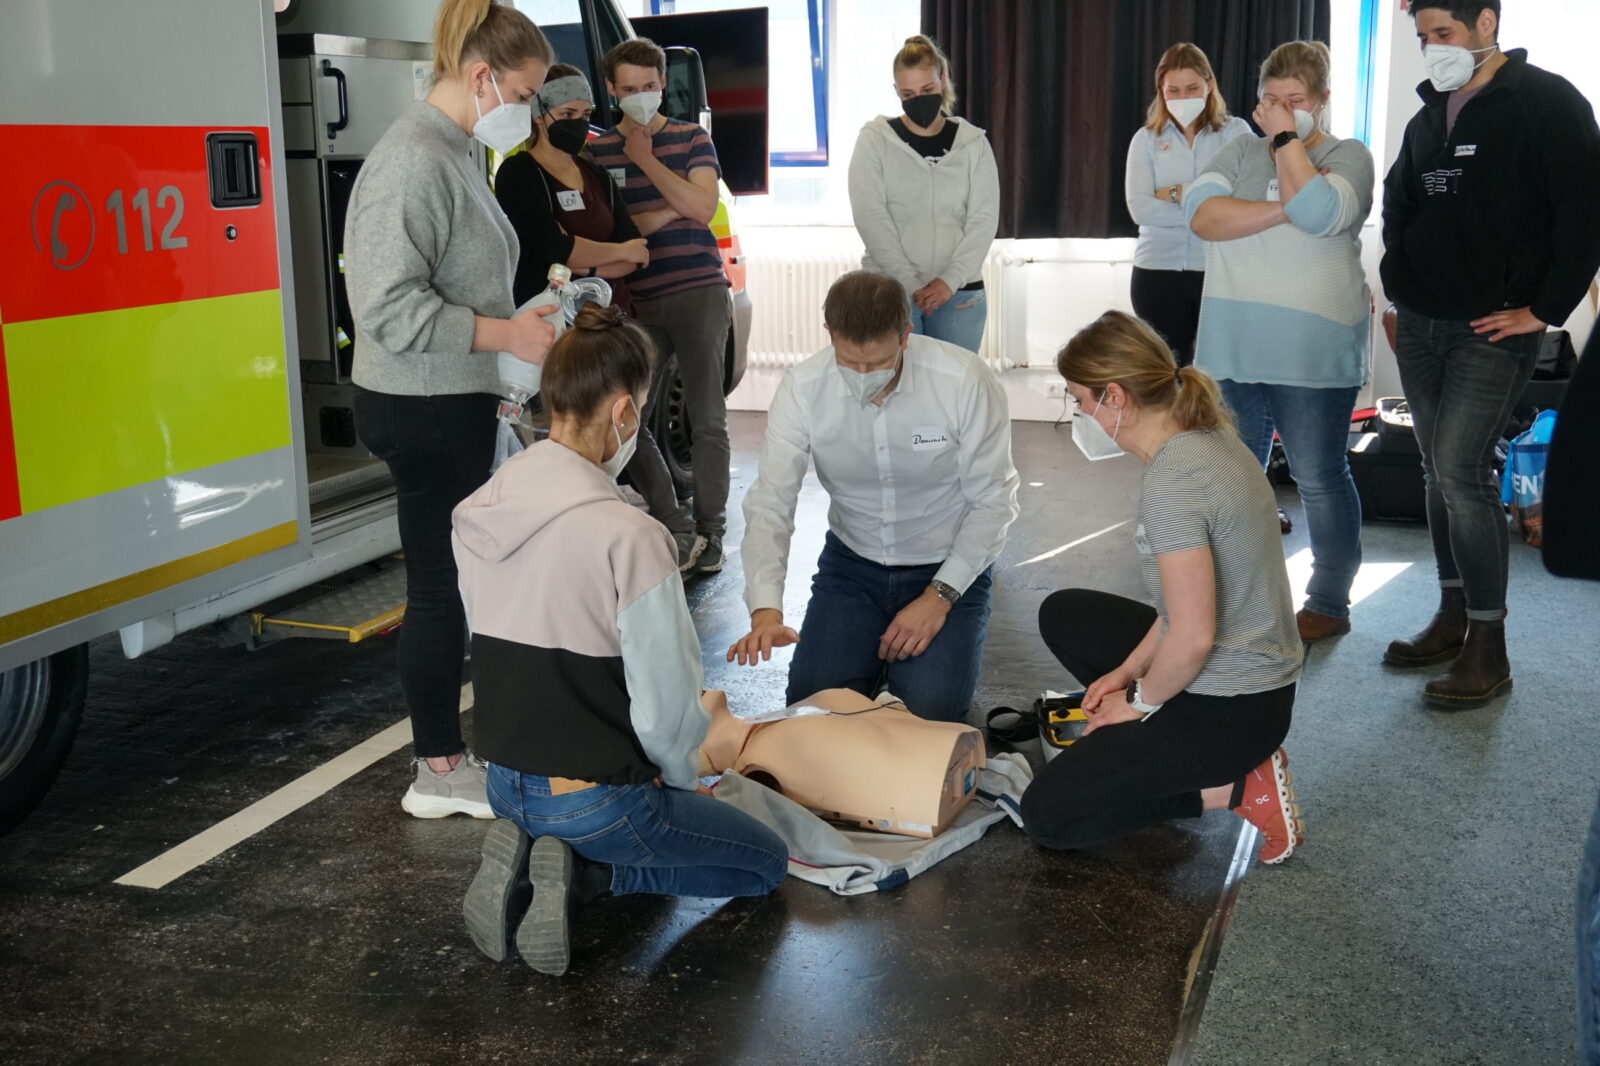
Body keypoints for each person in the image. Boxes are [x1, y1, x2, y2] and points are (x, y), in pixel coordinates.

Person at [454, 305, 787, 977]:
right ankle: (585, 881)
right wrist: (682, 778)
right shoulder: (629, 536)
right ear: (625, 413)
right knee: (761, 864)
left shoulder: (479, 508)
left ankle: (529, 850)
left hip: (503, 782)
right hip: (593, 800)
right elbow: (665, 709)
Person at [345, 0, 559, 819]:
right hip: (420, 403)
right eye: (527, 93)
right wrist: (503, 330)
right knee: (440, 587)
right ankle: (437, 771)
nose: (530, 112)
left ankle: (451, 754)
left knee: (459, 580)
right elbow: (386, 309)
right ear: (481, 77)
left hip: (452, 393)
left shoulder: (458, 149)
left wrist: (522, 320)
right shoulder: (412, 161)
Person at [1019, 311, 1305, 864]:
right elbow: (1183, 609)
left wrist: (1139, 703)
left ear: (1115, 397)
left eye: (1080, 401)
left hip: (1233, 712)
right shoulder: (1208, 434)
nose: (1080, 415)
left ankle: (1240, 788)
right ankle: (1170, 738)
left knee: (1050, 817)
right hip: (1255, 682)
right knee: (1066, 613)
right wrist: (1126, 672)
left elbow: (1194, 635)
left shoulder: (1174, 481)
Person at [1380, 0, 1600, 707]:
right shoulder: (1429, 115)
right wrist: (1401, 283)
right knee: (1434, 468)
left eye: (1442, 33)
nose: (1431, 48)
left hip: (1494, 328)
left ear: (1487, 23)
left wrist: (1543, 309)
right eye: (1422, 37)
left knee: (1461, 470)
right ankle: (1450, 615)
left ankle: (1488, 646)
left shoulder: (1546, 103)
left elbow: (1584, 212)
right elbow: (1400, 205)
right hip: (1421, 323)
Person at [728, 271, 1020, 724]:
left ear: (906, 335)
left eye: (878, 363)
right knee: (812, 711)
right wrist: (765, 611)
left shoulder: (963, 381)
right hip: (853, 565)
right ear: (830, 335)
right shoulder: (804, 387)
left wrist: (938, 598)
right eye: (850, 362)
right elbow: (771, 502)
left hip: (946, 564)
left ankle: (901, 668)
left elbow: (994, 501)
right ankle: (875, 661)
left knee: (929, 717)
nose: (863, 376)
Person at [1186, 40, 1375, 643]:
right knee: (1238, 479)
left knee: (1319, 476)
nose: (1281, 111)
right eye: (1272, 100)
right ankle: (1243, 599)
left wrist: (1290, 149)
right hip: (1233, 343)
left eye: (1296, 102)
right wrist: (1283, 209)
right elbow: (1203, 218)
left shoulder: (1350, 155)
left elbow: (1324, 214)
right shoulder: (1241, 149)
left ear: (1321, 102)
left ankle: (1329, 601)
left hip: (1312, 349)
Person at [585, 38, 731, 576]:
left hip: (699, 292)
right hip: (634, 301)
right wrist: (674, 208)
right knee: (627, 417)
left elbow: (704, 205)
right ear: (611, 90)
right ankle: (674, 523)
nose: (642, 97)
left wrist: (647, 163)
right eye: (629, 89)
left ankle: (712, 533)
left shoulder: (692, 137)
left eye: (650, 87)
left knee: (707, 417)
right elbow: (622, 231)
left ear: (663, 83)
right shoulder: (595, 152)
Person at [848, 35, 1000, 354]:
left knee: (953, 398)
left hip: (959, 296)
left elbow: (983, 221)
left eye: (927, 91)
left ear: (942, 80)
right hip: (891, 292)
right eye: (908, 94)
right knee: (894, 397)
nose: (919, 100)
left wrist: (948, 282)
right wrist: (912, 284)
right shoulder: (875, 141)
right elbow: (871, 218)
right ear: (897, 93)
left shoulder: (974, 144)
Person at [1125, 43, 1252, 368]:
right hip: (1157, 272)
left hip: (1219, 270)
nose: (1182, 99)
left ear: (1209, 85)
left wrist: (1175, 191)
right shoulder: (1145, 139)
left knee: (1221, 375)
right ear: (1161, 91)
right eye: (1173, 90)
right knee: (1167, 374)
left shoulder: (1236, 133)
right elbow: (1140, 209)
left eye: (1192, 88)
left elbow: (1245, 202)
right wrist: (1210, 207)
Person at [494, 64, 650, 312]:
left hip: (613, 320)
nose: (579, 124)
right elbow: (554, 247)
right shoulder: (519, 173)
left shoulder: (598, 175)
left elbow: (639, 255)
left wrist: (582, 266)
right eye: (567, 114)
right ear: (539, 115)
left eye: (586, 115)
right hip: (553, 324)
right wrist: (621, 251)